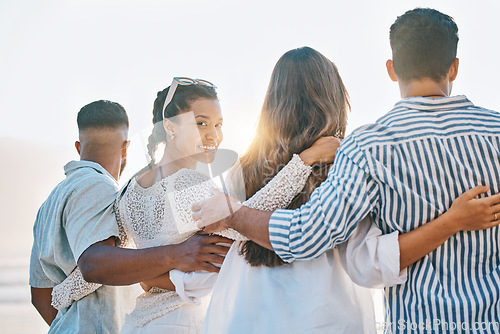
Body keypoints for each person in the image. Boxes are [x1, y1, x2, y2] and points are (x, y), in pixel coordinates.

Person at [194, 9, 500, 334]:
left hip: (249, 313)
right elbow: (366, 263)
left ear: (392, 70)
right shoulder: (492, 131)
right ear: (454, 66)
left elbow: (302, 234)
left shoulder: (366, 147)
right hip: (326, 315)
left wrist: (233, 213)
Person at [54, 79, 339, 333]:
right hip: (180, 322)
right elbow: (250, 217)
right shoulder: (187, 183)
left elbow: (113, 258)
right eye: (201, 123)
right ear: (170, 127)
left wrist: (63, 293)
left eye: (218, 125)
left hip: (137, 323)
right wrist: (305, 161)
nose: (214, 135)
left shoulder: (130, 188)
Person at [29, 100, 230, 333]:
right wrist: (177, 254)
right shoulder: (98, 186)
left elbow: (41, 295)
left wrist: (69, 325)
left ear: (78, 146)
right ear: (125, 148)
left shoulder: (48, 205)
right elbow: (94, 264)